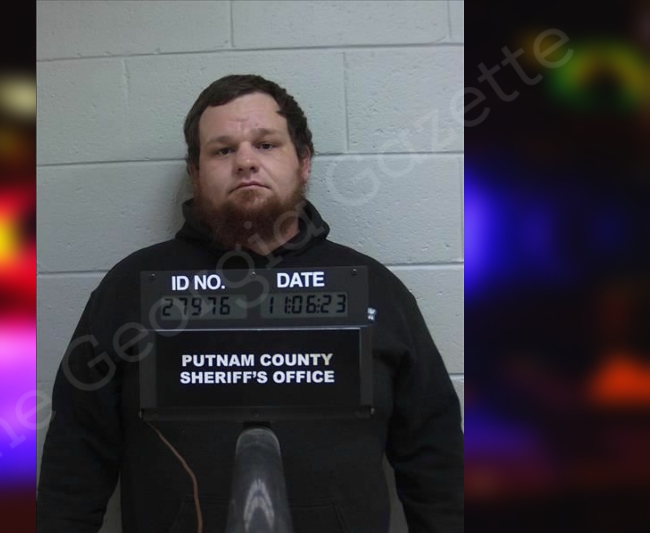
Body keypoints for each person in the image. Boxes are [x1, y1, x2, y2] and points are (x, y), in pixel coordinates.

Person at [37, 74, 463, 533]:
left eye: (265, 144)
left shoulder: (375, 290)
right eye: (223, 150)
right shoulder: (131, 289)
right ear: (195, 173)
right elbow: (76, 456)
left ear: (303, 162)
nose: (245, 162)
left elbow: (435, 459)